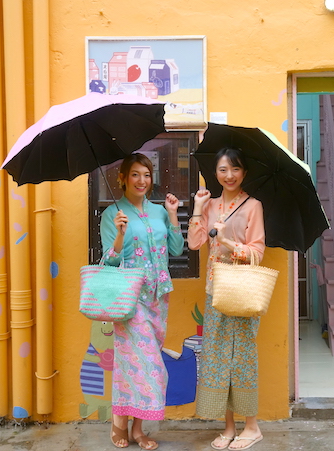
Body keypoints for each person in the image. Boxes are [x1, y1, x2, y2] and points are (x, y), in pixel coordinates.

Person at [100, 153, 184, 450]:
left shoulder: (159, 211)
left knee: (143, 363)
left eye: (146, 175)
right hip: (131, 299)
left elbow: (176, 249)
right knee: (142, 363)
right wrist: (120, 236)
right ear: (122, 178)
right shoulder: (113, 214)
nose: (141, 181)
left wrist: (173, 214)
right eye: (134, 174)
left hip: (159, 297)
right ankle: (119, 423)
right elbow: (108, 263)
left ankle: (137, 427)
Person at [188, 147, 266, 450]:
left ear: (244, 172)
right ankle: (229, 427)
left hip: (243, 289)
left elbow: (257, 252)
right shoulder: (210, 205)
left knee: (243, 355)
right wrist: (197, 207)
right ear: (215, 173)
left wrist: (225, 240)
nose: (229, 175)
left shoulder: (253, 206)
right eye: (223, 170)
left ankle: (252, 426)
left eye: (235, 169)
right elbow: (195, 243)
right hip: (215, 291)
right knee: (219, 359)